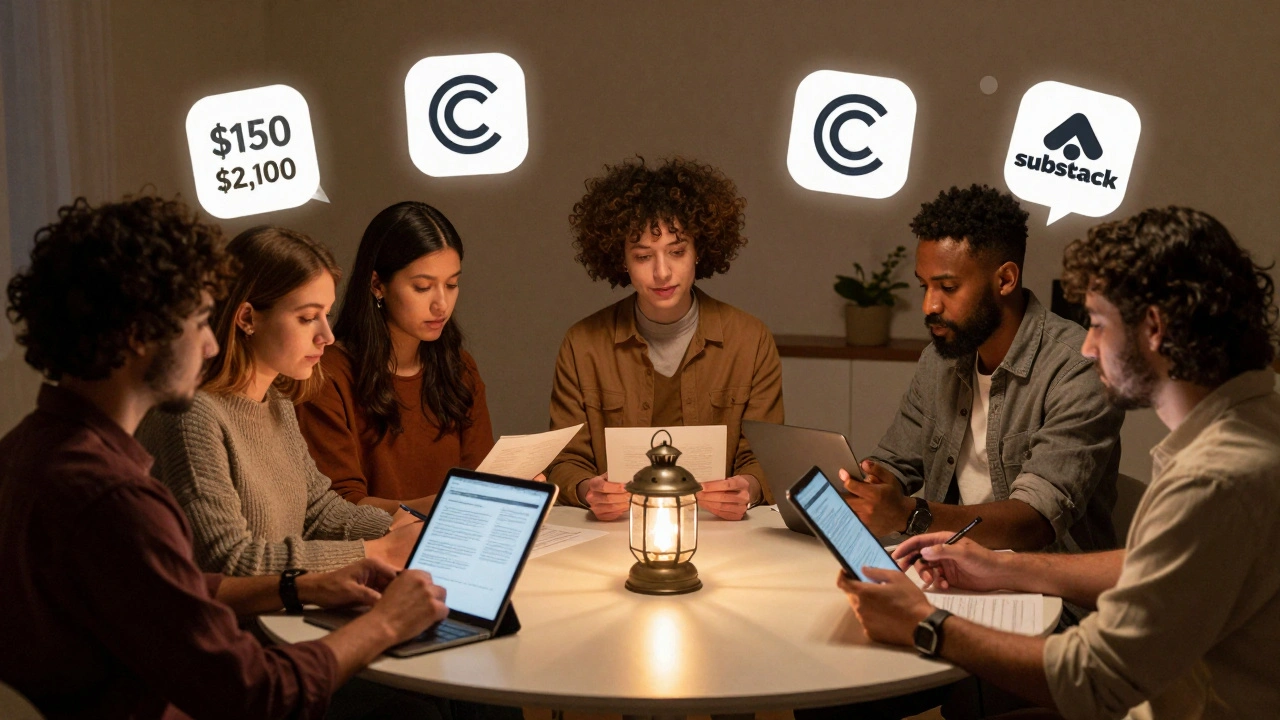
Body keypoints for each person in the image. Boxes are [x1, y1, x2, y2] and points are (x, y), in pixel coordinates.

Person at [0, 195, 448, 719]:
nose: (211, 345)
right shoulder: (113, 496)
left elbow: (174, 588)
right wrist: (386, 621)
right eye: (197, 321)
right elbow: (255, 694)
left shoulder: (30, 447)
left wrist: (301, 584)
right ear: (139, 335)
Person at [845, 206, 1280, 719]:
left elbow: (1094, 681)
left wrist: (926, 623)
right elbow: (1157, 566)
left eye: (1098, 324)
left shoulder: (1215, 478)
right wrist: (1003, 566)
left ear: (1154, 328)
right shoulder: (1252, 426)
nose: (1089, 348)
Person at [844, 184, 1123, 553]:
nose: (929, 306)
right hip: (951, 566)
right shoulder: (939, 360)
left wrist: (909, 515)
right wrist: (873, 485)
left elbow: (1035, 521)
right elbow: (895, 462)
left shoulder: (1079, 368)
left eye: (948, 287)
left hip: (1045, 580)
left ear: (1005, 280)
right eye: (924, 286)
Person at [137, 225, 422, 575]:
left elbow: (318, 513)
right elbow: (228, 560)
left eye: (326, 315)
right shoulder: (190, 416)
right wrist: (376, 551)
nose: (327, 336)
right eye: (307, 318)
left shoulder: (277, 403)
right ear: (247, 318)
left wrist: (405, 530)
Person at [546, 156, 784, 521]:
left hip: (721, 529)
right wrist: (588, 490)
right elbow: (565, 461)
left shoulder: (750, 340)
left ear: (699, 251)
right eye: (643, 256)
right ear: (622, 260)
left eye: (677, 251)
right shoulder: (583, 344)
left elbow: (765, 458)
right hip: (616, 531)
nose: (662, 272)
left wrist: (747, 489)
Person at [297, 201, 496, 515]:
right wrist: (444, 506)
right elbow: (338, 506)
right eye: (422, 287)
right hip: (374, 544)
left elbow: (480, 475)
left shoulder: (459, 368)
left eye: (452, 284)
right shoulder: (327, 375)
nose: (442, 304)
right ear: (378, 285)